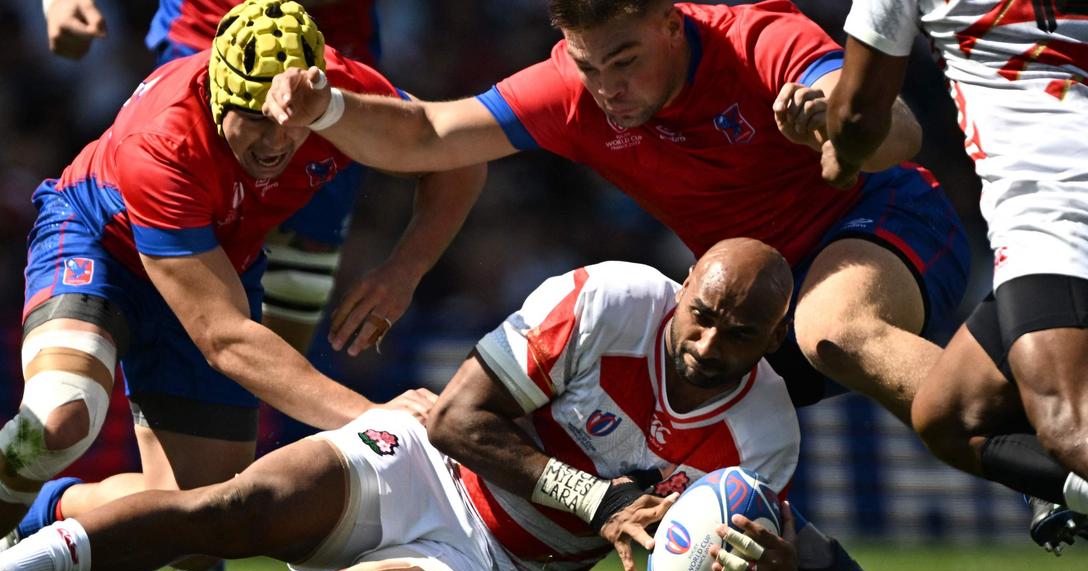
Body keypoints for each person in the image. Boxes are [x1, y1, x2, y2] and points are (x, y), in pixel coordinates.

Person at [0, 2, 485, 571]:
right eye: (255, 121)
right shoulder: (165, 139)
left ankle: (37, 519)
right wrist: (372, 417)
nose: (276, 142)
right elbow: (225, 339)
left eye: (290, 123)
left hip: (212, 260)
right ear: (220, 99)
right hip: (99, 240)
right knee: (58, 419)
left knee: (198, 524)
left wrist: (403, 271)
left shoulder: (338, 92)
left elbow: (459, 154)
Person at [0, 239, 868, 571]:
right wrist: (596, 498)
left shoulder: (763, 437)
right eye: (702, 314)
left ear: (773, 340)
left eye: (740, 334)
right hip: (425, 464)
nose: (707, 344)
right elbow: (456, 420)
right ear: (684, 283)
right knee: (240, 505)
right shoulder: (608, 299)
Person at [260, 0, 971, 426]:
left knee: (832, 329)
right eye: (589, 66)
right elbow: (428, 134)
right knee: (618, 401)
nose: (607, 89)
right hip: (750, 295)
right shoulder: (572, 92)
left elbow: (903, 134)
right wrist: (327, 109)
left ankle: (1016, 435)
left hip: (882, 222)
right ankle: (806, 569)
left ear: (670, 23)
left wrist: (836, 122)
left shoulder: (757, 39)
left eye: (625, 61)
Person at [823, 0, 1088, 552]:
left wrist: (841, 158)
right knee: (950, 415)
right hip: (1057, 204)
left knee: (1067, 427)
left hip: (1058, 208)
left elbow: (858, 116)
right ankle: (1074, 493)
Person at [44, 0, 393, 355]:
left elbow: (428, 139)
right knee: (190, 297)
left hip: (329, 55)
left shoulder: (341, 80)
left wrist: (406, 268)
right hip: (205, 35)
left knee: (278, 340)